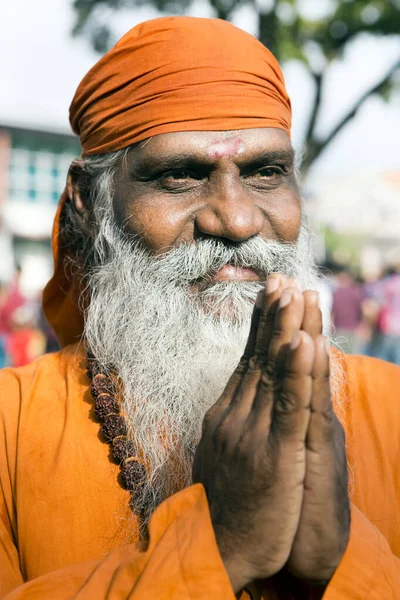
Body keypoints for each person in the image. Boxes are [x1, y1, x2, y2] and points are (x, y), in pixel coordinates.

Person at [0, 17, 399, 600]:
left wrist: (344, 560)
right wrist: (218, 546)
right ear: (87, 204)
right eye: (181, 176)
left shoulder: (393, 411)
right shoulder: (11, 432)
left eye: (266, 173)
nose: (236, 221)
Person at [331, 270, 364, 354]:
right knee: (353, 356)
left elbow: (332, 312)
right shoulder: (356, 292)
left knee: (339, 356)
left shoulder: (335, 293)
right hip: (353, 328)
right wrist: (362, 324)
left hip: (339, 328)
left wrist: (331, 327)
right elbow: (360, 309)